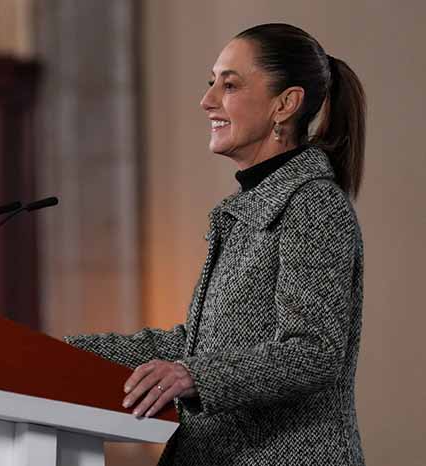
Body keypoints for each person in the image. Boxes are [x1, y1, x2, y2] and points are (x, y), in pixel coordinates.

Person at [65, 23, 366, 465]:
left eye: (230, 85)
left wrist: (194, 375)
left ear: (285, 104)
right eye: (212, 83)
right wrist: (59, 353)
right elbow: (199, 346)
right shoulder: (251, 207)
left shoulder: (313, 204)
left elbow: (314, 351)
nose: (207, 101)